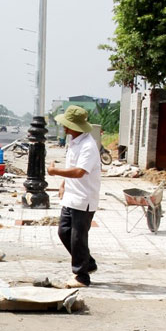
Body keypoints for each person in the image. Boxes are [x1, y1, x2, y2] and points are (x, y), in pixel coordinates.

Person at [47, 105, 101, 288]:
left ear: (75, 126)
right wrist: (63, 184)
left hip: (84, 198)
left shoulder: (88, 146)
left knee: (78, 238)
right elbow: (72, 165)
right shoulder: (74, 141)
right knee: (64, 232)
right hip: (71, 196)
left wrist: (55, 171)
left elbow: (79, 171)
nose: (64, 128)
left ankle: (81, 276)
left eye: (67, 125)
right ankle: (89, 262)